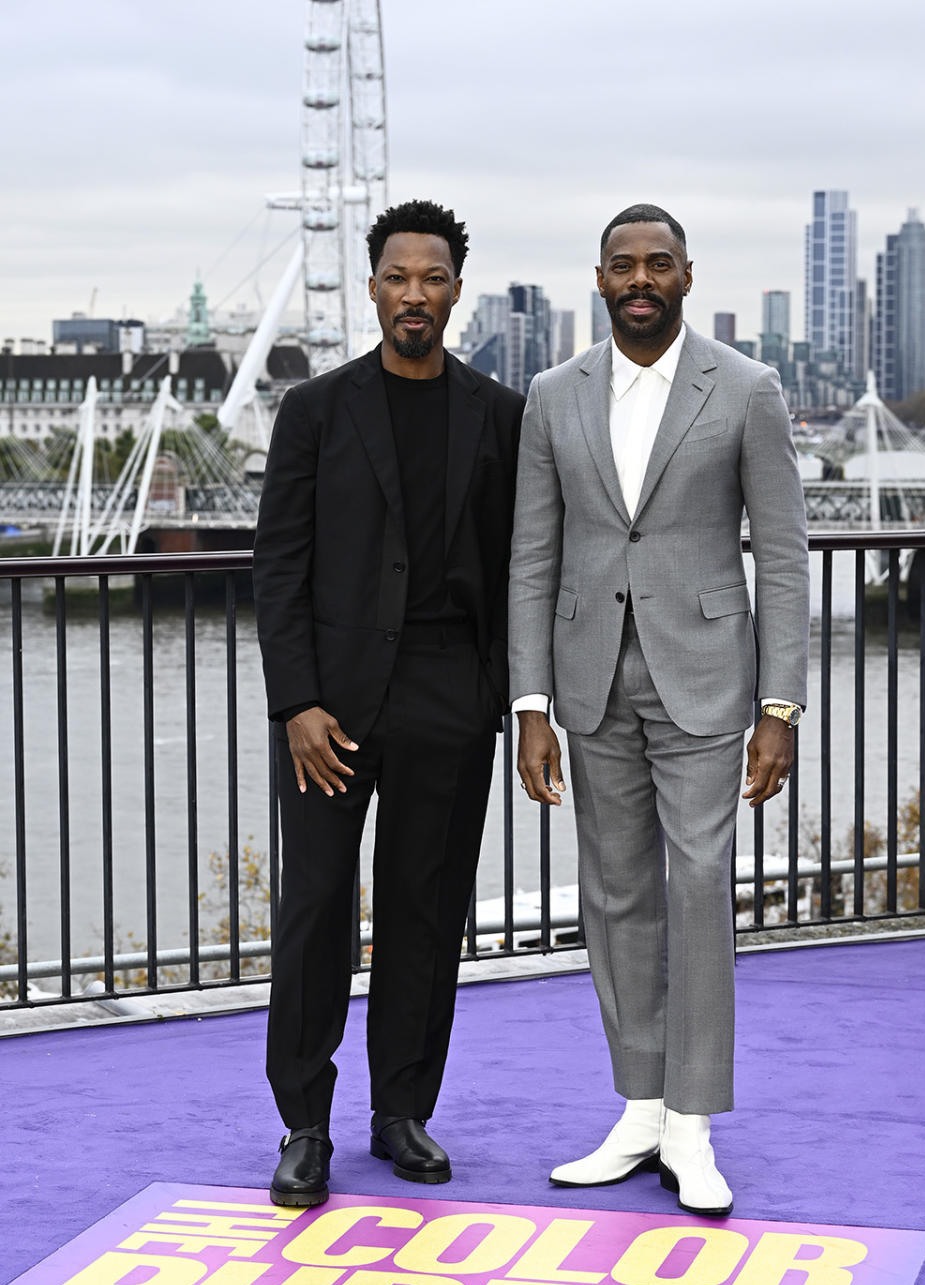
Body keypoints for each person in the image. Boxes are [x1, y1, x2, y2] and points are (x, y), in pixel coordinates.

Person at [508, 203, 809, 1216]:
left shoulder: (749, 389)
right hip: (590, 680)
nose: (641, 279)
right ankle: (638, 1105)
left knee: (698, 884)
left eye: (659, 264)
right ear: (599, 279)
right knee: (617, 893)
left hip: (709, 677)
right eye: (623, 265)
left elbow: (781, 553)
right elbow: (532, 557)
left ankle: (694, 1123)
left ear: (687, 275)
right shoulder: (553, 394)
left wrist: (781, 705)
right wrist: (531, 701)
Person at [254, 199, 525, 1206]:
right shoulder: (316, 411)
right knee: (317, 907)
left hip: (451, 697)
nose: (416, 293)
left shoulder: (499, 413)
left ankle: (402, 1110)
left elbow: (515, 567)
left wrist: (499, 694)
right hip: (331, 708)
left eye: (434, 278)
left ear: (457, 289)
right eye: (398, 277)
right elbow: (279, 565)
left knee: (426, 908)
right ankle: (305, 1124)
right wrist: (297, 703)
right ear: (372, 287)